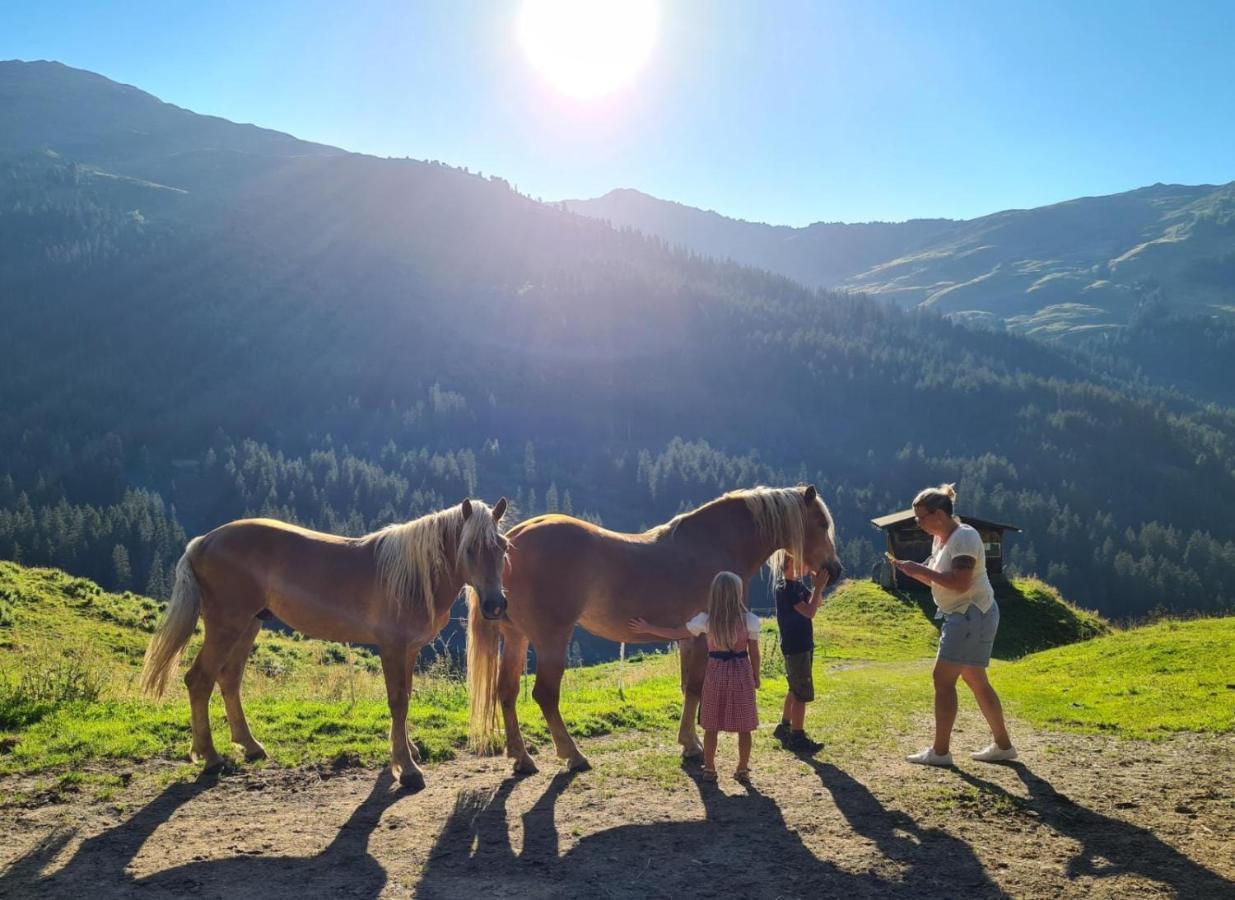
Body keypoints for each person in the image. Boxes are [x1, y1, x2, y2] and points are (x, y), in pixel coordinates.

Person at [889, 483, 1017, 766]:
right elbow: (937, 578)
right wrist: (911, 570)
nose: (918, 523)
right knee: (976, 680)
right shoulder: (942, 541)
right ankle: (1003, 746)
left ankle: (941, 752)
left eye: (921, 517)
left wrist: (918, 568)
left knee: (942, 680)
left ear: (939, 514)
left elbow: (960, 584)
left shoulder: (964, 538)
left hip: (968, 614)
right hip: (969, 614)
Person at [630, 571, 761, 783]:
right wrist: (756, 675)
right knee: (745, 726)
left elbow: (677, 633)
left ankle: (710, 768)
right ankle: (742, 768)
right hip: (741, 673)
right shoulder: (750, 621)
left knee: (711, 725)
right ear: (738, 593)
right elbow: (754, 652)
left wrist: (649, 628)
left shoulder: (705, 621)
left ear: (715, 594)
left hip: (716, 672)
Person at [771, 555, 827, 753]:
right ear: (790, 565)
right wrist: (818, 587)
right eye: (802, 561)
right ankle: (797, 735)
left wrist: (815, 588)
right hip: (797, 646)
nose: (807, 564)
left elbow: (817, 604)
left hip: (800, 644)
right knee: (801, 693)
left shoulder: (797, 586)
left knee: (794, 688)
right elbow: (809, 612)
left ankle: (784, 725)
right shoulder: (787, 589)